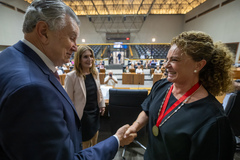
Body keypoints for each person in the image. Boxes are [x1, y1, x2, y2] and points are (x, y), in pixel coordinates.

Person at [0, 0, 136, 160]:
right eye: (72, 38)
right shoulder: (34, 90)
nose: (75, 47)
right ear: (43, 32)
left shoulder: (7, 58)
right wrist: (116, 140)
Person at [124, 31, 236, 160]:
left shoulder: (213, 119)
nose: (166, 65)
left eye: (174, 60)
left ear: (198, 65)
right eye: (167, 59)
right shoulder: (161, 86)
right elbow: (148, 110)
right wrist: (134, 127)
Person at [64, 45, 105, 149]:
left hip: (95, 114)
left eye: (91, 56)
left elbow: (99, 90)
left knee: (95, 143)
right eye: (85, 57)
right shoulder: (71, 76)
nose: (89, 59)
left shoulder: (95, 73)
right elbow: (68, 101)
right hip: (82, 117)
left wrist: (102, 104)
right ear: (79, 59)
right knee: (85, 147)